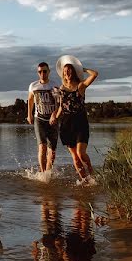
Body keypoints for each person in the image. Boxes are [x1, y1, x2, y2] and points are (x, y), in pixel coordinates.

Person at [53, 55, 98, 184]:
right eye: (65, 70)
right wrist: (55, 118)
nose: (67, 72)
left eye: (69, 70)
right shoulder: (61, 89)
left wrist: (82, 69)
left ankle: (91, 173)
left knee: (80, 153)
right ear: (63, 73)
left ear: (73, 72)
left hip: (80, 122)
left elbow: (95, 74)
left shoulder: (80, 86)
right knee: (75, 157)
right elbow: (61, 107)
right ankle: (84, 180)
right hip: (66, 124)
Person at [27, 61, 59, 173]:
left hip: (52, 121)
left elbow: (59, 103)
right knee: (42, 146)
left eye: (44, 71)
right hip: (39, 119)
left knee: (52, 152)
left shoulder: (54, 86)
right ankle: (42, 172)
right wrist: (29, 115)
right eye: (40, 72)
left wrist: (55, 114)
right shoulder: (33, 86)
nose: (42, 73)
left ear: (49, 72)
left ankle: (48, 172)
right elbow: (30, 100)